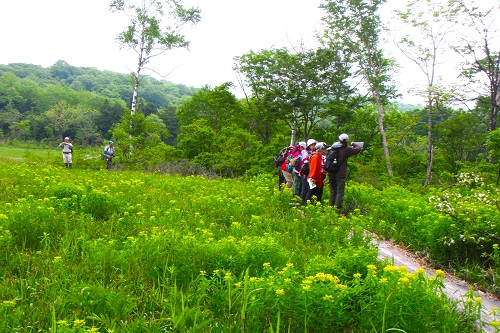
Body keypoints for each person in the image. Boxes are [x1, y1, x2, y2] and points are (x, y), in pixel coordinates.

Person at [328, 133, 362, 214]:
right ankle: (337, 209)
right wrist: (353, 143)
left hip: (331, 172)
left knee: (333, 190)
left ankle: (330, 206)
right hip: (340, 173)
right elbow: (358, 149)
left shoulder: (333, 148)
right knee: (340, 191)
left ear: (339, 139)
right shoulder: (346, 149)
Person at [299, 139, 317, 204]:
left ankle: (306, 202)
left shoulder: (315, 153)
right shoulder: (306, 153)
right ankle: (302, 202)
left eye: (314, 145)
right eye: (312, 145)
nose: (313, 146)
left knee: (309, 189)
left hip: (310, 173)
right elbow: (304, 162)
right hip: (306, 172)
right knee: (305, 188)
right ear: (309, 146)